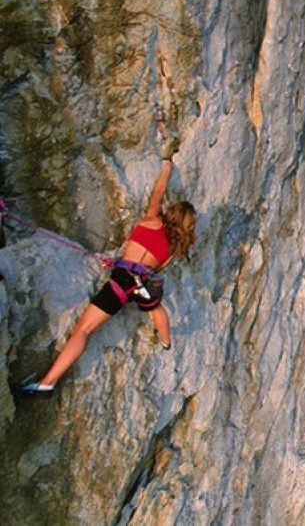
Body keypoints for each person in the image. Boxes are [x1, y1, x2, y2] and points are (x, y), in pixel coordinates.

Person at [17, 140, 195, 395]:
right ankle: (166, 341)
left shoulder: (151, 219)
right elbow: (157, 268)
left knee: (84, 330)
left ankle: (47, 382)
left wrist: (166, 169)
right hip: (138, 283)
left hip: (120, 280)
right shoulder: (173, 250)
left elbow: (157, 193)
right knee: (155, 307)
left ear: (171, 213)